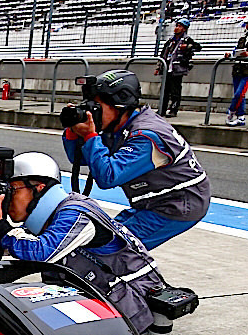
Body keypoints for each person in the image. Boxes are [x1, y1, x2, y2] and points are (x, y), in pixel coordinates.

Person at [0, 151, 164, 335]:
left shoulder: (76, 214)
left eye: (12, 191)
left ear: (39, 188)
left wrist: (0, 226)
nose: (7, 199)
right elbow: (5, 249)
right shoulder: (49, 218)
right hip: (93, 299)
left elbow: (41, 253)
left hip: (131, 308)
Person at [63, 68, 210, 249]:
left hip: (177, 204)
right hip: (152, 201)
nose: (91, 112)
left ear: (120, 103)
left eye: (96, 106)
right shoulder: (120, 125)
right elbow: (80, 159)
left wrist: (91, 137)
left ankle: (138, 276)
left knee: (112, 249)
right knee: (97, 237)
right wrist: (74, 132)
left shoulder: (146, 136)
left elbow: (108, 176)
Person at [156, 18, 198, 118]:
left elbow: (197, 47)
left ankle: (173, 109)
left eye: (179, 26)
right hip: (167, 68)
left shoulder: (187, 40)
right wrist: (158, 67)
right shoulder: (170, 40)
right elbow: (163, 54)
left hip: (177, 69)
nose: (177, 28)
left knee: (175, 90)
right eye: (177, 26)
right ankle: (162, 109)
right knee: (164, 90)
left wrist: (187, 47)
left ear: (184, 29)